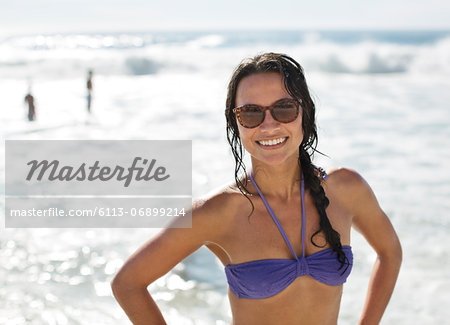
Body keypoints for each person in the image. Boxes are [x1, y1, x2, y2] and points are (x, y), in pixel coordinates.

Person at [111, 52, 402, 324]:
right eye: (251, 113)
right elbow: (128, 284)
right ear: (235, 123)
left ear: (306, 112)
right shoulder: (218, 212)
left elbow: (390, 253)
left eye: (284, 108)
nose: (268, 125)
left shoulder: (346, 189)